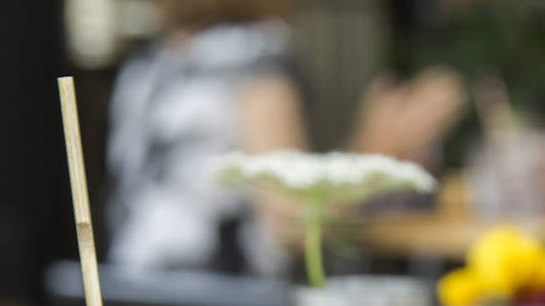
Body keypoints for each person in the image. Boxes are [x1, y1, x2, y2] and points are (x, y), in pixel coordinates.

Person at [106, 0, 463, 276]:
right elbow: (293, 224)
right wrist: (382, 145)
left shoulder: (149, 63)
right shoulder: (252, 56)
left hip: (127, 296)